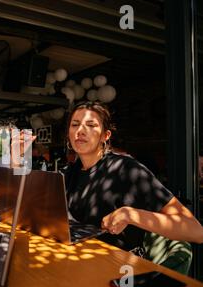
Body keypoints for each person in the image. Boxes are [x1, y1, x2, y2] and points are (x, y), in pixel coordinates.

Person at [62, 100, 203, 251]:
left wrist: (131, 215)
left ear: (105, 136)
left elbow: (195, 231)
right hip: (77, 260)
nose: (80, 131)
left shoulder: (126, 169)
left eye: (91, 125)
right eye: (75, 124)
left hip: (121, 269)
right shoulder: (69, 173)